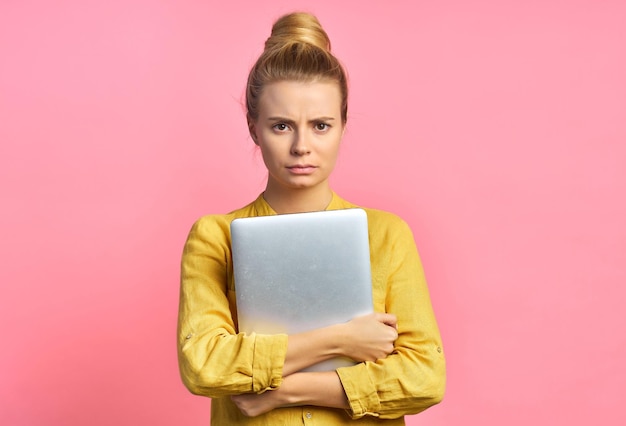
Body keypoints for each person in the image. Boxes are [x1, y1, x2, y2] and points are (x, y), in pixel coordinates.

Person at [177, 12, 446, 425]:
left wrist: (281, 389)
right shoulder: (215, 237)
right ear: (254, 128)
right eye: (281, 126)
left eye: (321, 125)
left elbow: (425, 377)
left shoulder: (387, 235)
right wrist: (343, 339)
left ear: (342, 126)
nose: (302, 146)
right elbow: (204, 363)